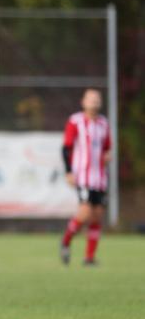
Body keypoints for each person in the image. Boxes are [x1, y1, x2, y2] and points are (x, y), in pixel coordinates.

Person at [60, 89, 111, 266]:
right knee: (85, 212)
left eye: (97, 99)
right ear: (83, 102)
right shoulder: (76, 121)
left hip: (100, 178)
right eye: (91, 99)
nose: (94, 103)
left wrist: (108, 155)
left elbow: (107, 148)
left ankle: (89, 257)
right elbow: (66, 148)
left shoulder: (104, 124)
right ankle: (66, 241)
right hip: (82, 176)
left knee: (97, 215)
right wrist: (68, 171)